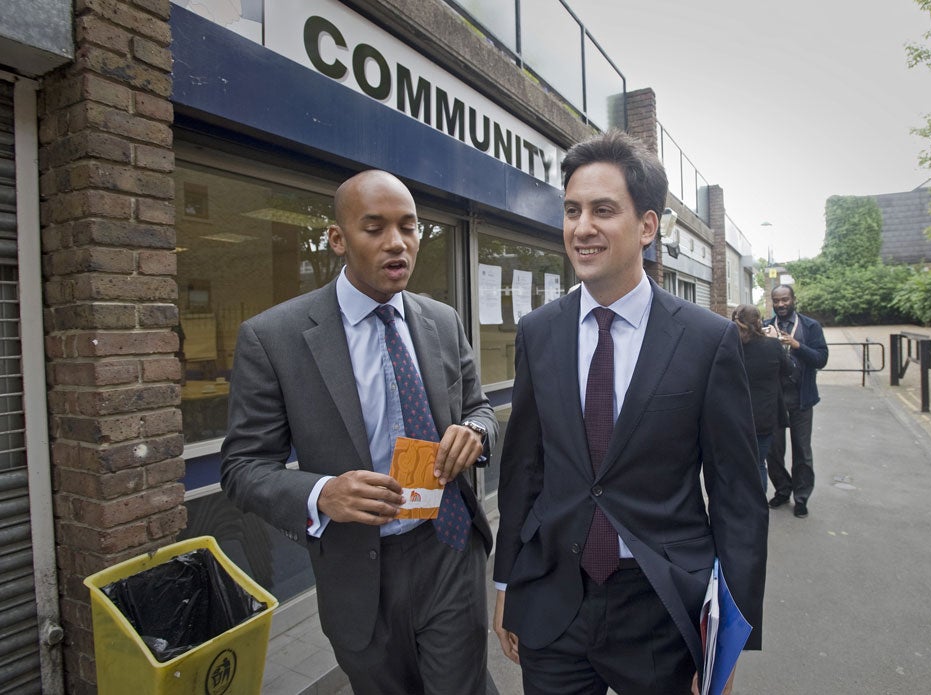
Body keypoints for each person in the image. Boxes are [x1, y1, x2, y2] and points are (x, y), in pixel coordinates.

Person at [492, 130, 768, 695]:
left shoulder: (706, 340)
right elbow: (523, 469)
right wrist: (505, 584)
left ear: (647, 226)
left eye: (602, 210)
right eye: (572, 210)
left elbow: (738, 498)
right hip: (553, 599)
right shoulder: (538, 332)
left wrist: (729, 636)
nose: (581, 227)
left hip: (661, 607)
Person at [220, 169, 497, 695]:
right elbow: (242, 468)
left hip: (449, 548)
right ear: (337, 239)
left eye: (409, 227)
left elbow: (479, 408)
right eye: (375, 228)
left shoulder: (443, 320)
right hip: (358, 570)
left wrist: (475, 432)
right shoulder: (273, 337)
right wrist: (323, 494)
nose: (397, 243)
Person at [762, 284, 829, 518]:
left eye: (785, 300)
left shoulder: (811, 327)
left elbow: (821, 359)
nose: (781, 304)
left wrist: (796, 345)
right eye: (776, 301)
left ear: (793, 299)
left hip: (802, 398)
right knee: (773, 451)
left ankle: (801, 497)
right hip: (775, 401)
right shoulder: (766, 326)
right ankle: (782, 490)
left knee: (802, 451)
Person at [732, 304, 792, 492]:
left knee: (737, 465)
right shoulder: (772, 346)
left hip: (736, 417)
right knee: (758, 463)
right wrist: (775, 340)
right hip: (764, 417)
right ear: (759, 322)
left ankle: (739, 504)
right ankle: (757, 506)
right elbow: (789, 370)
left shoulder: (731, 348)